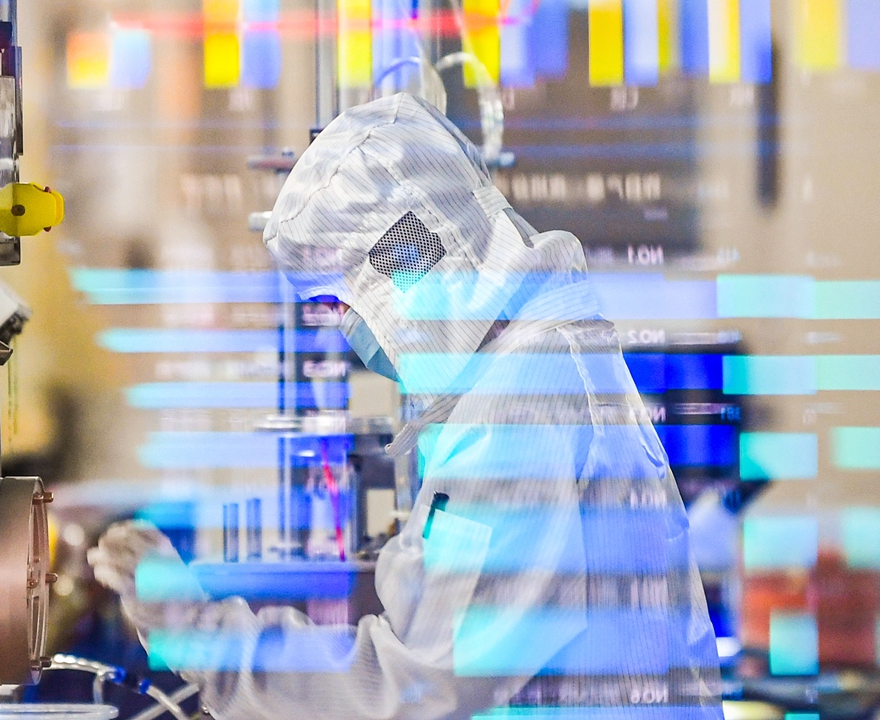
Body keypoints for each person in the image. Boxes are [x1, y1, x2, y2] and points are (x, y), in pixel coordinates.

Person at [89, 93, 723, 719]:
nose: (348, 331)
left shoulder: (522, 402)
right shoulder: (528, 368)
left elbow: (419, 688)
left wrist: (200, 632)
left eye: (344, 306)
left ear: (400, 264)